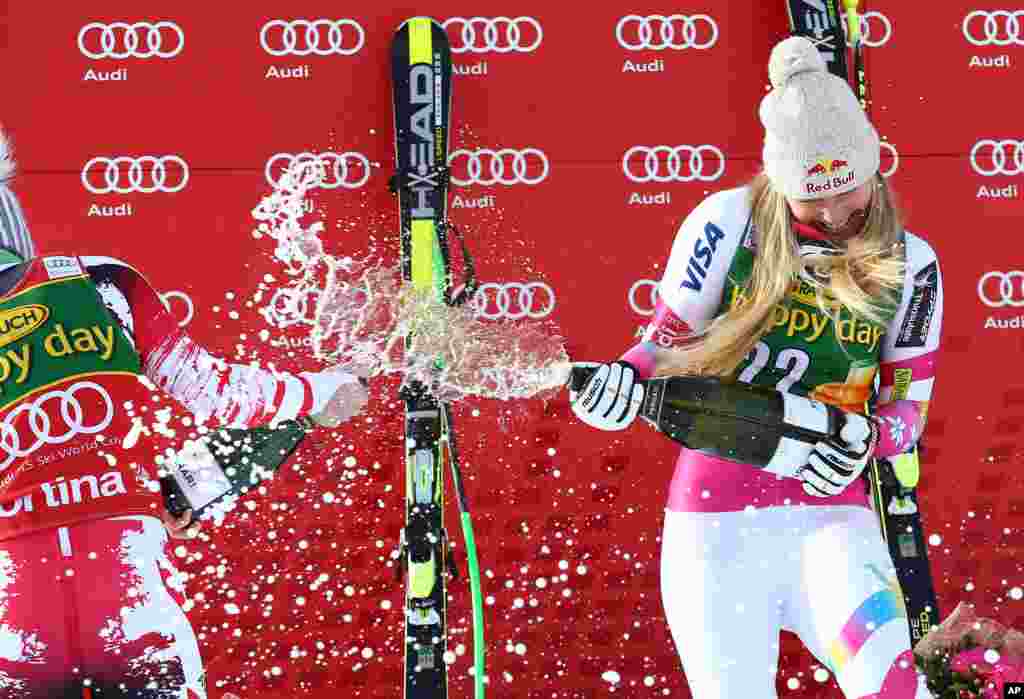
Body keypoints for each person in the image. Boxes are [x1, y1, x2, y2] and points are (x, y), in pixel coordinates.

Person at [571, 37, 942, 699]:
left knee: (897, 688)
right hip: (715, 530)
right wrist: (618, 380)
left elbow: (908, 410)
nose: (832, 218)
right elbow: (658, 344)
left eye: (848, 199)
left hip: (832, 523)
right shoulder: (729, 222)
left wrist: (874, 439)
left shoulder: (913, 265)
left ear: (875, 165)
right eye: (810, 202)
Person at [0, 129, 368, 698]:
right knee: (190, 483)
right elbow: (219, 393)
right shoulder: (97, 281)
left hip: (16, 634)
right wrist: (319, 395)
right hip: (135, 603)